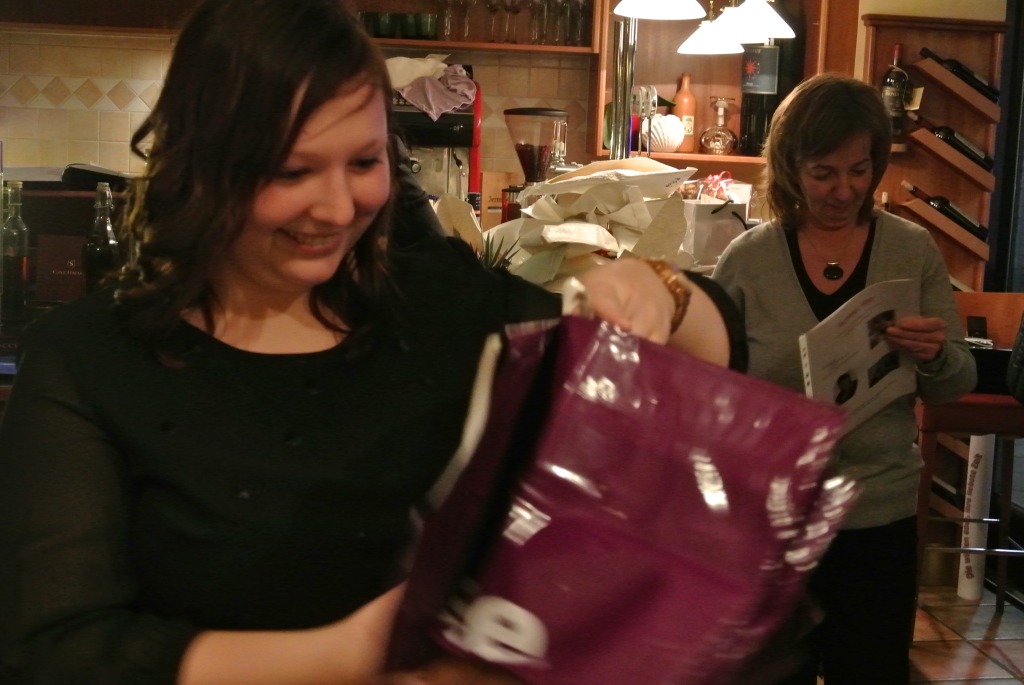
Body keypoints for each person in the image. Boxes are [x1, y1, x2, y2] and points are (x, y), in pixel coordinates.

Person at [0, 0, 746, 683]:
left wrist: (663, 292)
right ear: (204, 167)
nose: (336, 207)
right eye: (293, 171)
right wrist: (352, 654)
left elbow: (703, 367)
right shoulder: (88, 360)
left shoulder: (438, 303)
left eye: (363, 163)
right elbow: (60, 647)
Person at [712, 73, 977, 684]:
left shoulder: (910, 249)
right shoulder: (748, 260)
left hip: (876, 511)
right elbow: (713, 390)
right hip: (775, 518)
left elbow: (956, 382)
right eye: (823, 172)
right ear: (790, 168)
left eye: (860, 170)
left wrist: (934, 354)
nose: (844, 190)